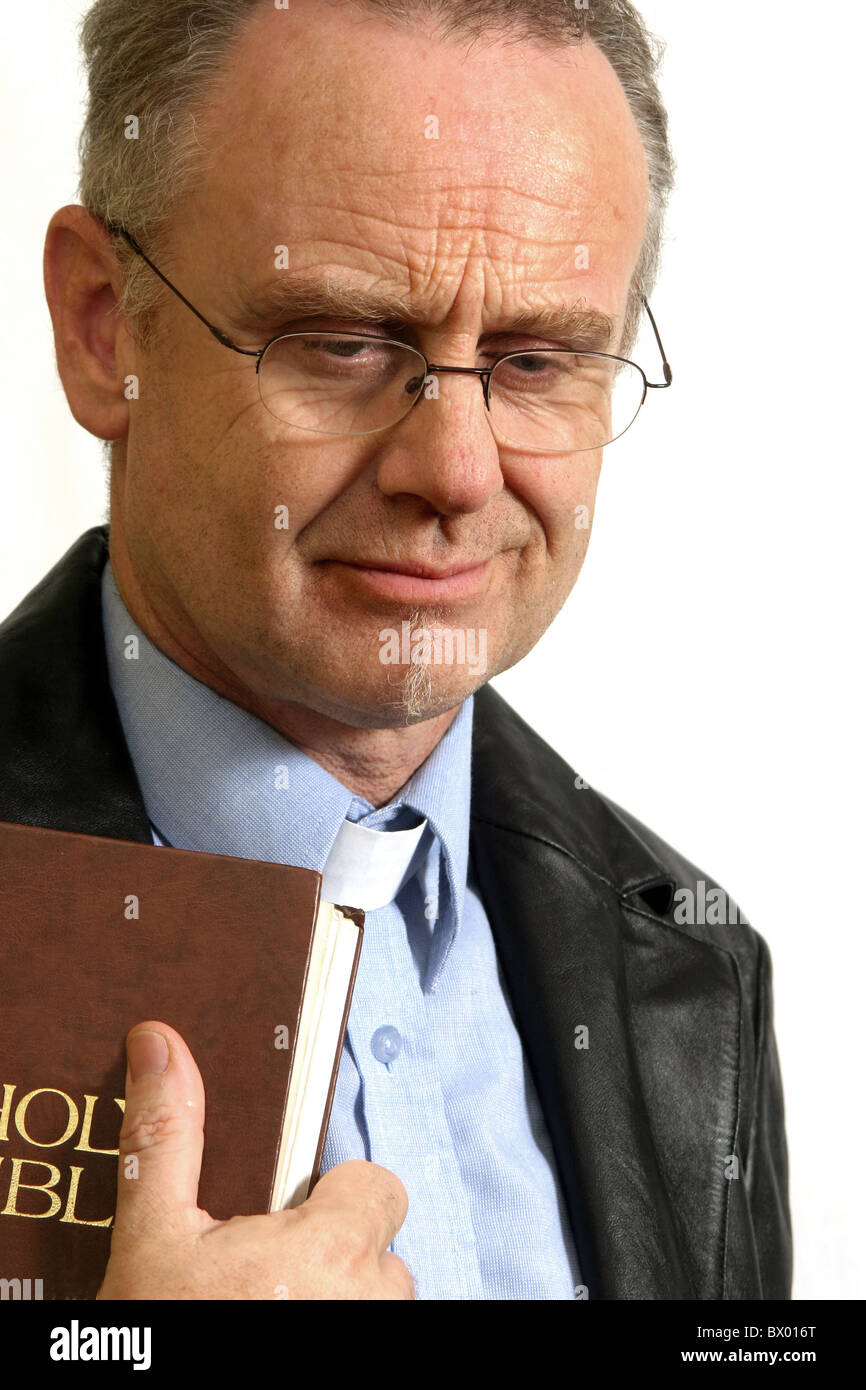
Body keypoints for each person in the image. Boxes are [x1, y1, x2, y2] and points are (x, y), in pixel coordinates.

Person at [0, 0, 791, 1299]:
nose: (457, 470)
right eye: (345, 341)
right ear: (102, 325)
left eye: (537, 360)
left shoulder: (693, 969)